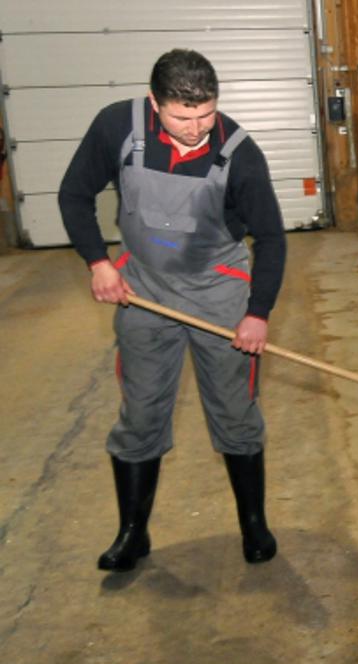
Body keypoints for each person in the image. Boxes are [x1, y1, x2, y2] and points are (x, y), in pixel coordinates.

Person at [58, 48, 287, 572]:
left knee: (234, 411)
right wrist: (98, 263)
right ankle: (133, 533)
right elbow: (74, 195)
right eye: (183, 117)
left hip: (219, 292)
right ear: (153, 102)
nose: (196, 128)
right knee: (140, 414)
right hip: (143, 288)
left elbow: (271, 238)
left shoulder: (240, 153)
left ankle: (253, 524)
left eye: (206, 114)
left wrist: (258, 313)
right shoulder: (117, 126)